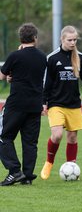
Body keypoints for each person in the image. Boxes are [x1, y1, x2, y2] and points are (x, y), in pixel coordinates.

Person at [40, 25, 82, 180]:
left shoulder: (80, 57)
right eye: (70, 40)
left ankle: (71, 166)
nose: (73, 43)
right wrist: (43, 102)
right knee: (57, 135)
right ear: (62, 39)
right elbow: (46, 83)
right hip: (56, 103)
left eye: (75, 40)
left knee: (72, 137)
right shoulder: (52, 58)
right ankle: (49, 162)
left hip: (74, 103)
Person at [0, 23, 47, 186]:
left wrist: (9, 77)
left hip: (17, 103)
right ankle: (27, 176)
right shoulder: (42, 57)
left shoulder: (15, 56)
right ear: (35, 38)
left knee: (4, 137)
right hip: (35, 105)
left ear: (20, 38)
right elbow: (33, 75)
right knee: (30, 142)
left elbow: (2, 75)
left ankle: (14, 171)